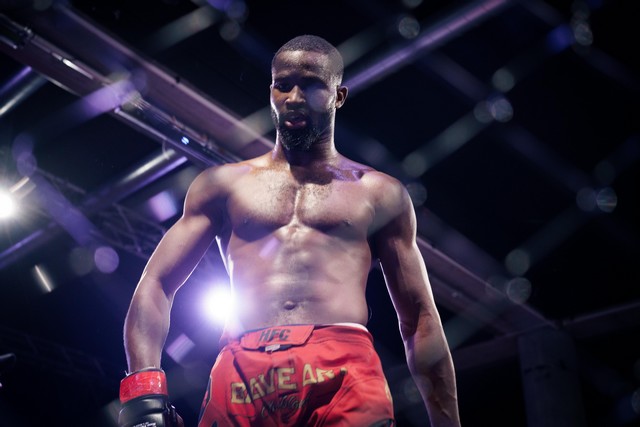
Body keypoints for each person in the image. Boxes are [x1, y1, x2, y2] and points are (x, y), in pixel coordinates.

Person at [119, 35, 461, 427]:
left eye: (312, 85)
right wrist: (144, 395)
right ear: (271, 92)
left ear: (338, 96)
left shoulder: (379, 193)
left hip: (341, 367)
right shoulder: (222, 185)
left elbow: (419, 318)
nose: (295, 98)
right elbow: (156, 283)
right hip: (241, 370)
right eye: (283, 85)